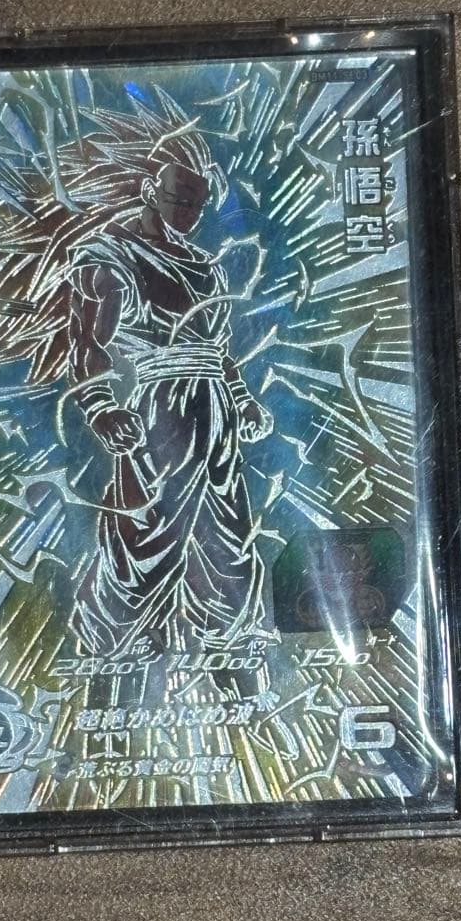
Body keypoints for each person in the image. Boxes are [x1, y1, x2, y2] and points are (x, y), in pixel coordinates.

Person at [67, 156, 274, 663]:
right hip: (160, 404)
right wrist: (100, 407)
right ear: (148, 191)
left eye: (198, 206)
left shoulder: (204, 266)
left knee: (226, 522)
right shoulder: (111, 256)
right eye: (180, 201)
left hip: (215, 406)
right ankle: (112, 635)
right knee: (145, 522)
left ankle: (225, 627)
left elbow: (217, 349)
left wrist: (243, 399)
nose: (190, 215)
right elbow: (88, 341)